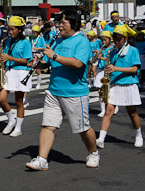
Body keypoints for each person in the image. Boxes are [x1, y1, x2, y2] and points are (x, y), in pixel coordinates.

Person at [26, 11, 99, 171]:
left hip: (74, 93)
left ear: (74, 24)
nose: (59, 26)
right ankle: (42, 159)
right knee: (48, 125)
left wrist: (54, 56)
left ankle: (93, 153)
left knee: (83, 129)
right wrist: (38, 63)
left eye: (63, 23)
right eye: (59, 23)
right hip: (54, 90)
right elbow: (49, 62)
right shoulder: (57, 40)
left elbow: (78, 63)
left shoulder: (82, 42)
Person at [96, 25, 143, 149]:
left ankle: (138, 134)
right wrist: (103, 85)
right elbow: (108, 71)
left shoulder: (133, 50)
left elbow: (135, 69)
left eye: (119, 39)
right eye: (115, 39)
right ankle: (101, 138)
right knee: (109, 111)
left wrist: (116, 68)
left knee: (132, 113)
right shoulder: (112, 52)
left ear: (125, 38)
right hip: (115, 84)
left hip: (129, 84)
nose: (116, 42)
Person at [0, 16, 32, 137]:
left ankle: (18, 127)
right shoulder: (7, 41)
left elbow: (27, 61)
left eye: (12, 29)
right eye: (9, 29)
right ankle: (11, 120)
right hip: (8, 71)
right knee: (1, 99)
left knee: (18, 102)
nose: (10, 32)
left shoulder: (26, 42)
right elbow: (5, 57)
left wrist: (10, 58)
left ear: (20, 30)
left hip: (21, 72)